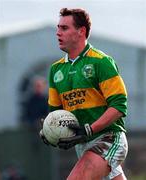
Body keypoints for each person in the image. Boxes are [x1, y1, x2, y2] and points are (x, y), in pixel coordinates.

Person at [40, 8, 128, 180]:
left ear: (81, 31)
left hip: (108, 139)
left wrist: (89, 129)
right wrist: (48, 130)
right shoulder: (56, 69)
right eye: (57, 28)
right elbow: (56, 114)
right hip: (83, 146)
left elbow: (119, 106)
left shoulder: (101, 62)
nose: (58, 33)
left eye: (64, 28)